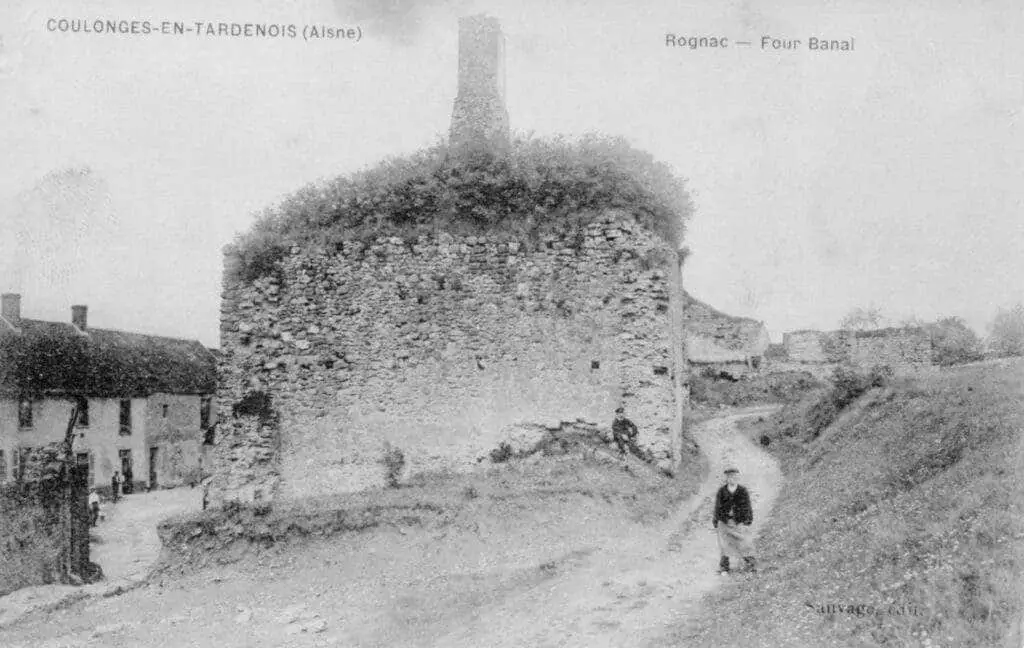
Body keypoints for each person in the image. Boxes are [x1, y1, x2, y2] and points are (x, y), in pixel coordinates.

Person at [712, 466, 756, 574]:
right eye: (730, 477)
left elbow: (747, 505)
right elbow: (718, 507)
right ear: (726, 478)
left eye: (735, 477)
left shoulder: (742, 491)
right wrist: (718, 519)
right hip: (725, 522)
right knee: (724, 545)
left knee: (744, 542)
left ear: (738, 477)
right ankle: (724, 567)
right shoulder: (722, 491)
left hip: (739, 522)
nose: (732, 479)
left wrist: (747, 519)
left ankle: (750, 565)